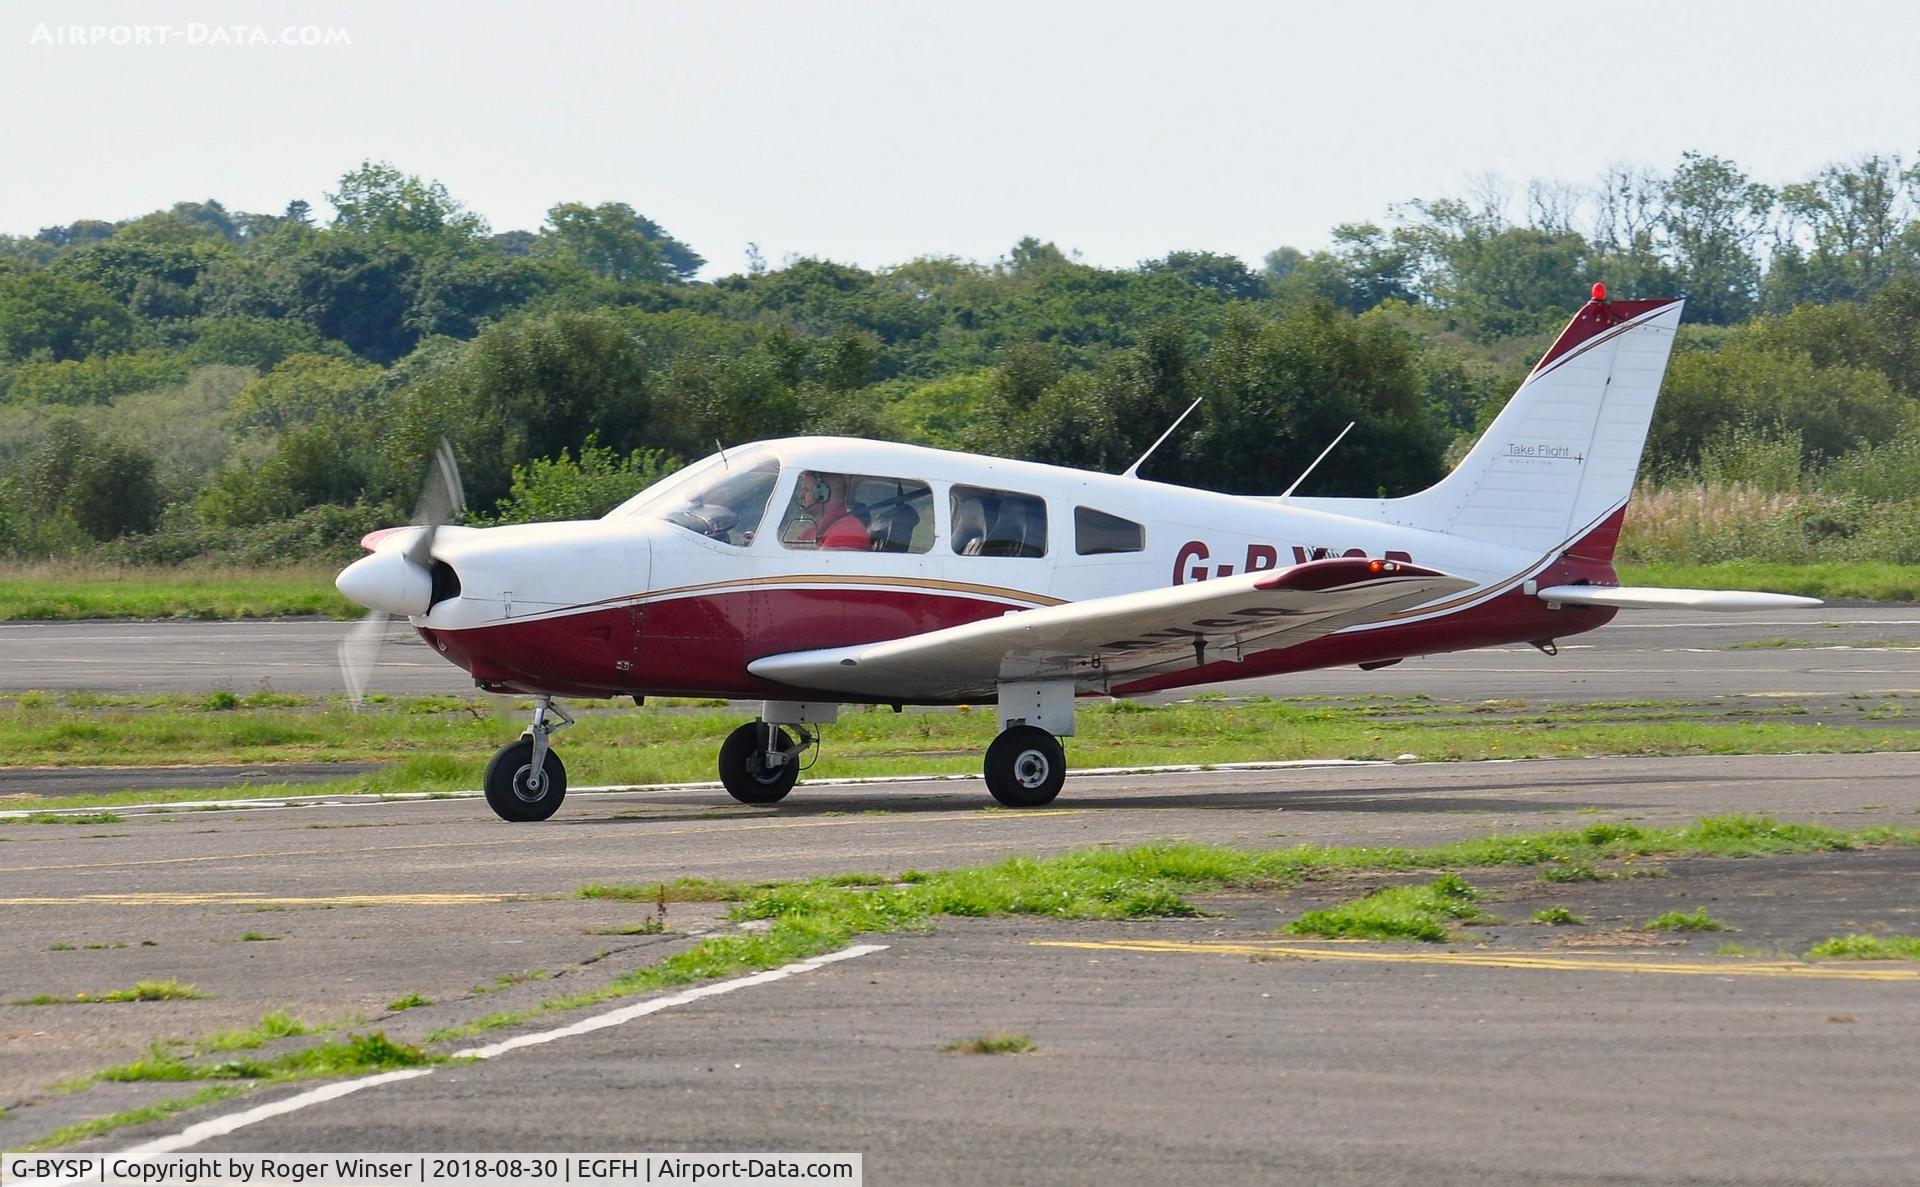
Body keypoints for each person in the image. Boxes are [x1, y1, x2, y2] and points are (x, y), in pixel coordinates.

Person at [792, 471, 870, 550]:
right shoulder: (819, 525)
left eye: (806, 490)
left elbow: (821, 561)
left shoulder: (847, 529)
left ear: (822, 494)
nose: (801, 495)